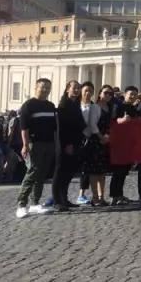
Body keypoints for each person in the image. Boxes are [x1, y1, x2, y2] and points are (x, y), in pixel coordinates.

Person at [16, 78, 56, 218]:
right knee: (32, 172)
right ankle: (21, 204)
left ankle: (34, 203)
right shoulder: (28, 105)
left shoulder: (51, 106)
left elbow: (54, 127)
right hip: (35, 143)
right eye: (42, 87)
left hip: (49, 143)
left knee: (42, 174)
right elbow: (24, 128)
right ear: (36, 87)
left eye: (48, 87)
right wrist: (25, 145)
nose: (45, 90)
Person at [52, 80, 85, 210]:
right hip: (64, 143)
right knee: (59, 172)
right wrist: (68, 144)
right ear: (67, 89)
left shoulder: (76, 105)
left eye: (78, 88)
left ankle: (64, 199)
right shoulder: (63, 106)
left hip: (75, 142)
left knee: (68, 173)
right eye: (74, 88)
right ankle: (57, 200)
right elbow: (64, 128)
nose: (76, 90)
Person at [81, 83, 113, 206]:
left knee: (102, 171)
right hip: (96, 141)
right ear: (99, 94)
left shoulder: (109, 107)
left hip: (105, 140)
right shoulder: (95, 107)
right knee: (94, 171)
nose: (108, 95)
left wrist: (107, 137)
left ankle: (101, 196)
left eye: (110, 93)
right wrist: (101, 137)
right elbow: (92, 124)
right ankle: (95, 197)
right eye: (105, 93)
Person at [110, 85, 138, 205]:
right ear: (125, 95)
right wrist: (121, 120)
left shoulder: (133, 108)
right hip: (119, 142)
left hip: (130, 142)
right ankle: (114, 195)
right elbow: (113, 121)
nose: (132, 96)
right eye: (130, 94)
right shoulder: (119, 106)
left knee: (124, 170)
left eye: (134, 94)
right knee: (118, 170)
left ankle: (119, 194)